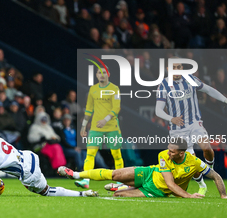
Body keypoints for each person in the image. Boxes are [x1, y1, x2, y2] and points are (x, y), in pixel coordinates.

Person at [0, 132, 98, 197]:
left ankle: (82, 192)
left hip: (29, 173)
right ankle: (74, 179)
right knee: (43, 189)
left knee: (46, 192)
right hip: (29, 156)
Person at [58, 138, 227, 199]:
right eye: (168, 149)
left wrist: (223, 195)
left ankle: (123, 188)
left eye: (172, 151)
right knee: (115, 173)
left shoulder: (195, 162)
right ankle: (75, 174)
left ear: (182, 153)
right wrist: (189, 196)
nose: (168, 153)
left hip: (156, 191)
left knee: (118, 195)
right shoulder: (163, 155)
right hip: (149, 174)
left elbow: (217, 176)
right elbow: (170, 182)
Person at [155, 60, 227, 195]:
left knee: (207, 148)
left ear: (182, 68)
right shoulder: (163, 85)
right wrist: (171, 119)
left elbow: (208, 89)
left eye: (178, 67)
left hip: (194, 123)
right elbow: (158, 110)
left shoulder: (190, 79)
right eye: (173, 68)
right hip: (178, 128)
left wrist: (224, 100)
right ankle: (202, 184)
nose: (176, 70)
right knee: (189, 160)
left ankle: (209, 171)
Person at [77, 65, 124, 189]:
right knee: (90, 154)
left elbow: (116, 108)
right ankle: (85, 180)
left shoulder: (114, 89)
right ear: (96, 75)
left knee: (117, 154)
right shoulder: (93, 89)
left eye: (104, 72)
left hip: (112, 127)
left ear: (108, 74)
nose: (101, 74)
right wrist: (83, 126)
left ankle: (120, 182)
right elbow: (89, 109)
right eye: (99, 72)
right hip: (96, 128)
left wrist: (105, 120)